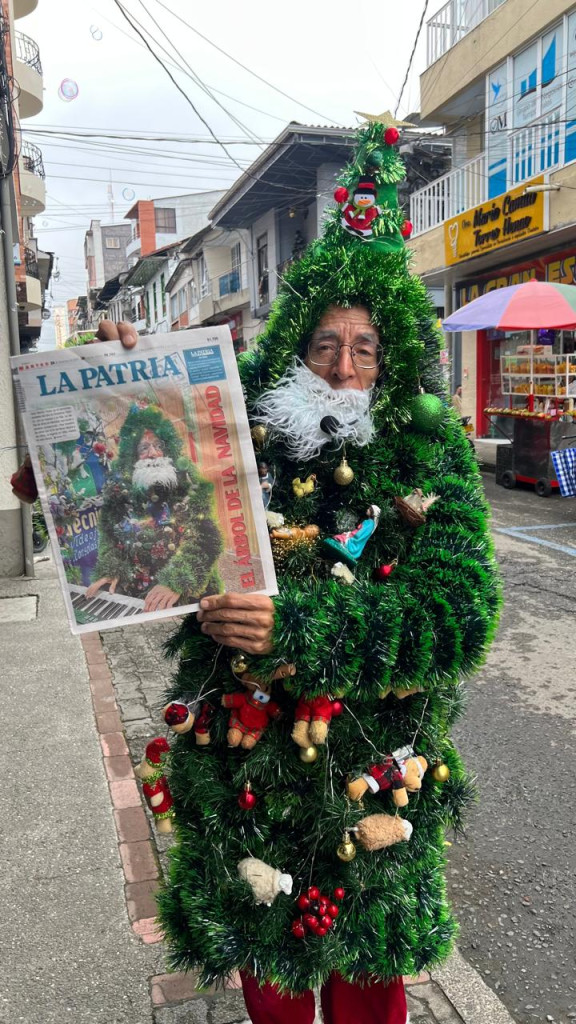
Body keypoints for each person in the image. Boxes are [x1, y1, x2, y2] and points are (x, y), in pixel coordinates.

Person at [31, 119, 500, 1024]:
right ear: (296, 346)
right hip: (249, 779)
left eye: (365, 348)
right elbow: (139, 472)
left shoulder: (431, 454)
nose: (344, 365)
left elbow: (457, 616)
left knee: (369, 989)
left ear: (392, 358)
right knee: (273, 989)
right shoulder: (239, 425)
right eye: (326, 344)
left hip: (373, 772)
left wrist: (300, 629)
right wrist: (123, 374)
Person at [84, 399, 224, 613]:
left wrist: (177, 580)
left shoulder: (190, 482)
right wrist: (111, 568)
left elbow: (207, 539)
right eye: (144, 447)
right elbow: (110, 537)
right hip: (137, 598)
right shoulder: (118, 491)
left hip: (190, 599)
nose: (153, 453)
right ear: (133, 455)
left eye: (159, 445)